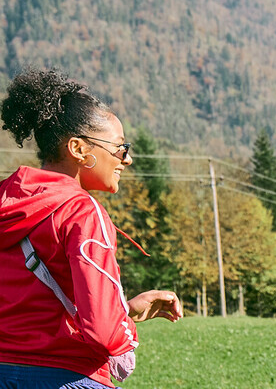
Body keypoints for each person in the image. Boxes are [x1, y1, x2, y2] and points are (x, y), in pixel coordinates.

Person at [0, 68, 183, 388]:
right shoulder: (83, 213)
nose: (126, 159)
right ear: (79, 149)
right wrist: (124, 326)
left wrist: (124, 309)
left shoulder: (7, 200)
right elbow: (101, 328)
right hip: (68, 375)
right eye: (120, 148)